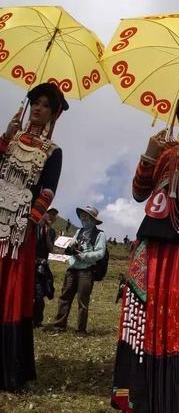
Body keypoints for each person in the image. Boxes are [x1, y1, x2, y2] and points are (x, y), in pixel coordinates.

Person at [111, 88, 179, 412]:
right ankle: (140, 391)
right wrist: (149, 154)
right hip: (154, 241)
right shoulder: (162, 150)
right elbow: (138, 192)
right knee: (146, 312)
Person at [0, 82, 67, 391]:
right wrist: (5, 136)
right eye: (35, 103)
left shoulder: (52, 152)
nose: (38, 109)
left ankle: (9, 369)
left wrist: (31, 219)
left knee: (12, 289)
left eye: (45, 105)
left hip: (19, 229)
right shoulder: (10, 139)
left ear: (53, 115)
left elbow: (49, 189)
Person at [49, 205, 106, 334]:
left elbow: (100, 253)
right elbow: (71, 244)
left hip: (86, 271)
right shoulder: (78, 231)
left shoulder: (100, 234)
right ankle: (59, 326)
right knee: (65, 297)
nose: (83, 218)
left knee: (82, 300)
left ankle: (81, 330)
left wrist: (84, 256)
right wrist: (71, 247)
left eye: (86, 216)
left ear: (93, 219)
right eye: (82, 216)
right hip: (72, 269)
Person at [33, 208, 58, 328]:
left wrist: (48, 233)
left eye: (54, 215)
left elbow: (51, 248)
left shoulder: (52, 232)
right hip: (29, 264)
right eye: (49, 214)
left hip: (42, 266)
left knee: (39, 293)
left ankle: (37, 320)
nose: (51, 217)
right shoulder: (34, 226)